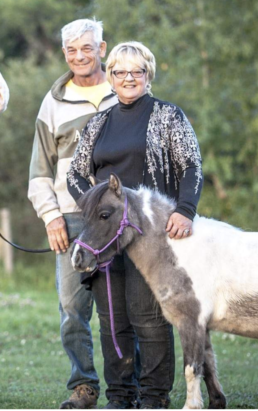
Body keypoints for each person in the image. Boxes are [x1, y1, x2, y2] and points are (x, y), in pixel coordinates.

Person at [67, 41, 203, 409]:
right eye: (120, 72)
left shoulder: (168, 116)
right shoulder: (98, 123)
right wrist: (95, 205)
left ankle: (154, 398)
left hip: (150, 239)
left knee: (150, 322)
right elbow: (76, 174)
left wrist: (185, 210)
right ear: (109, 77)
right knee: (114, 324)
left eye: (137, 71)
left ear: (148, 76)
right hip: (105, 238)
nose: (129, 78)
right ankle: (121, 398)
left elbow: (192, 166)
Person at [28, 18, 117, 409]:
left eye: (86, 47)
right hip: (72, 221)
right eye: (71, 50)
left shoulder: (125, 89)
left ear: (101, 48)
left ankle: (128, 387)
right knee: (72, 311)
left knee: (125, 310)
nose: (79, 56)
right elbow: (38, 172)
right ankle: (83, 387)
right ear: (64, 54)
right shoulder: (54, 102)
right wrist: (51, 218)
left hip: (122, 222)